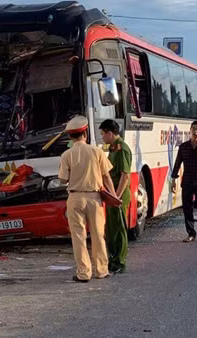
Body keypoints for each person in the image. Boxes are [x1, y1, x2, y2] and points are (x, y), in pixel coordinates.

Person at [58, 116, 114, 283]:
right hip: (94, 198)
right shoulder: (97, 151)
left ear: (70, 137)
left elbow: (62, 179)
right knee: (98, 234)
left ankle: (84, 273)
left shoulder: (66, 154)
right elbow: (106, 177)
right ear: (86, 133)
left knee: (78, 237)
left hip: (75, 198)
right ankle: (102, 270)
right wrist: (115, 196)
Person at [170, 121, 197, 242]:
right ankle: (191, 233)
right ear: (190, 130)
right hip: (187, 181)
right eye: (193, 129)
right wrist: (173, 179)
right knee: (187, 208)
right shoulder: (183, 146)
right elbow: (178, 163)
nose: (195, 132)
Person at [99, 119, 131, 274]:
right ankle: (113, 260)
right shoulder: (113, 148)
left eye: (103, 134)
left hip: (119, 194)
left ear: (110, 133)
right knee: (111, 229)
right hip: (112, 194)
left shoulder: (122, 149)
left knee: (119, 229)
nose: (102, 138)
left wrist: (116, 196)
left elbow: (125, 176)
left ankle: (120, 262)